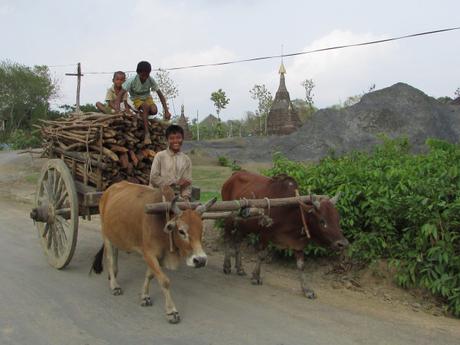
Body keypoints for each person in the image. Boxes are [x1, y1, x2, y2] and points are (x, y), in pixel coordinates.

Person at [120, 61, 171, 145]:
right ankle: (147, 134)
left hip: (147, 98)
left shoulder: (150, 80)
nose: (144, 77)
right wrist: (117, 109)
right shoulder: (131, 81)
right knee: (145, 106)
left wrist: (166, 110)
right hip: (136, 99)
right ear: (138, 73)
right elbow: (120, 95)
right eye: (142, 75)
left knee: (154, 110)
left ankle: (142, 114)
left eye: (147, 75)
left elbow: (160, 95)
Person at [150, 125, 192, 201]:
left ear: (182, 139)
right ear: (167, 140)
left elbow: (187, 184)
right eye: (172, 138)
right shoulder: (160, 156)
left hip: (178, 199)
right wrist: (175, 182)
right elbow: (154, 178)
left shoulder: (186, 159)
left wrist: (186, 197)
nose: (175, 141)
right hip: (158, 197)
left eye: (178, 138)